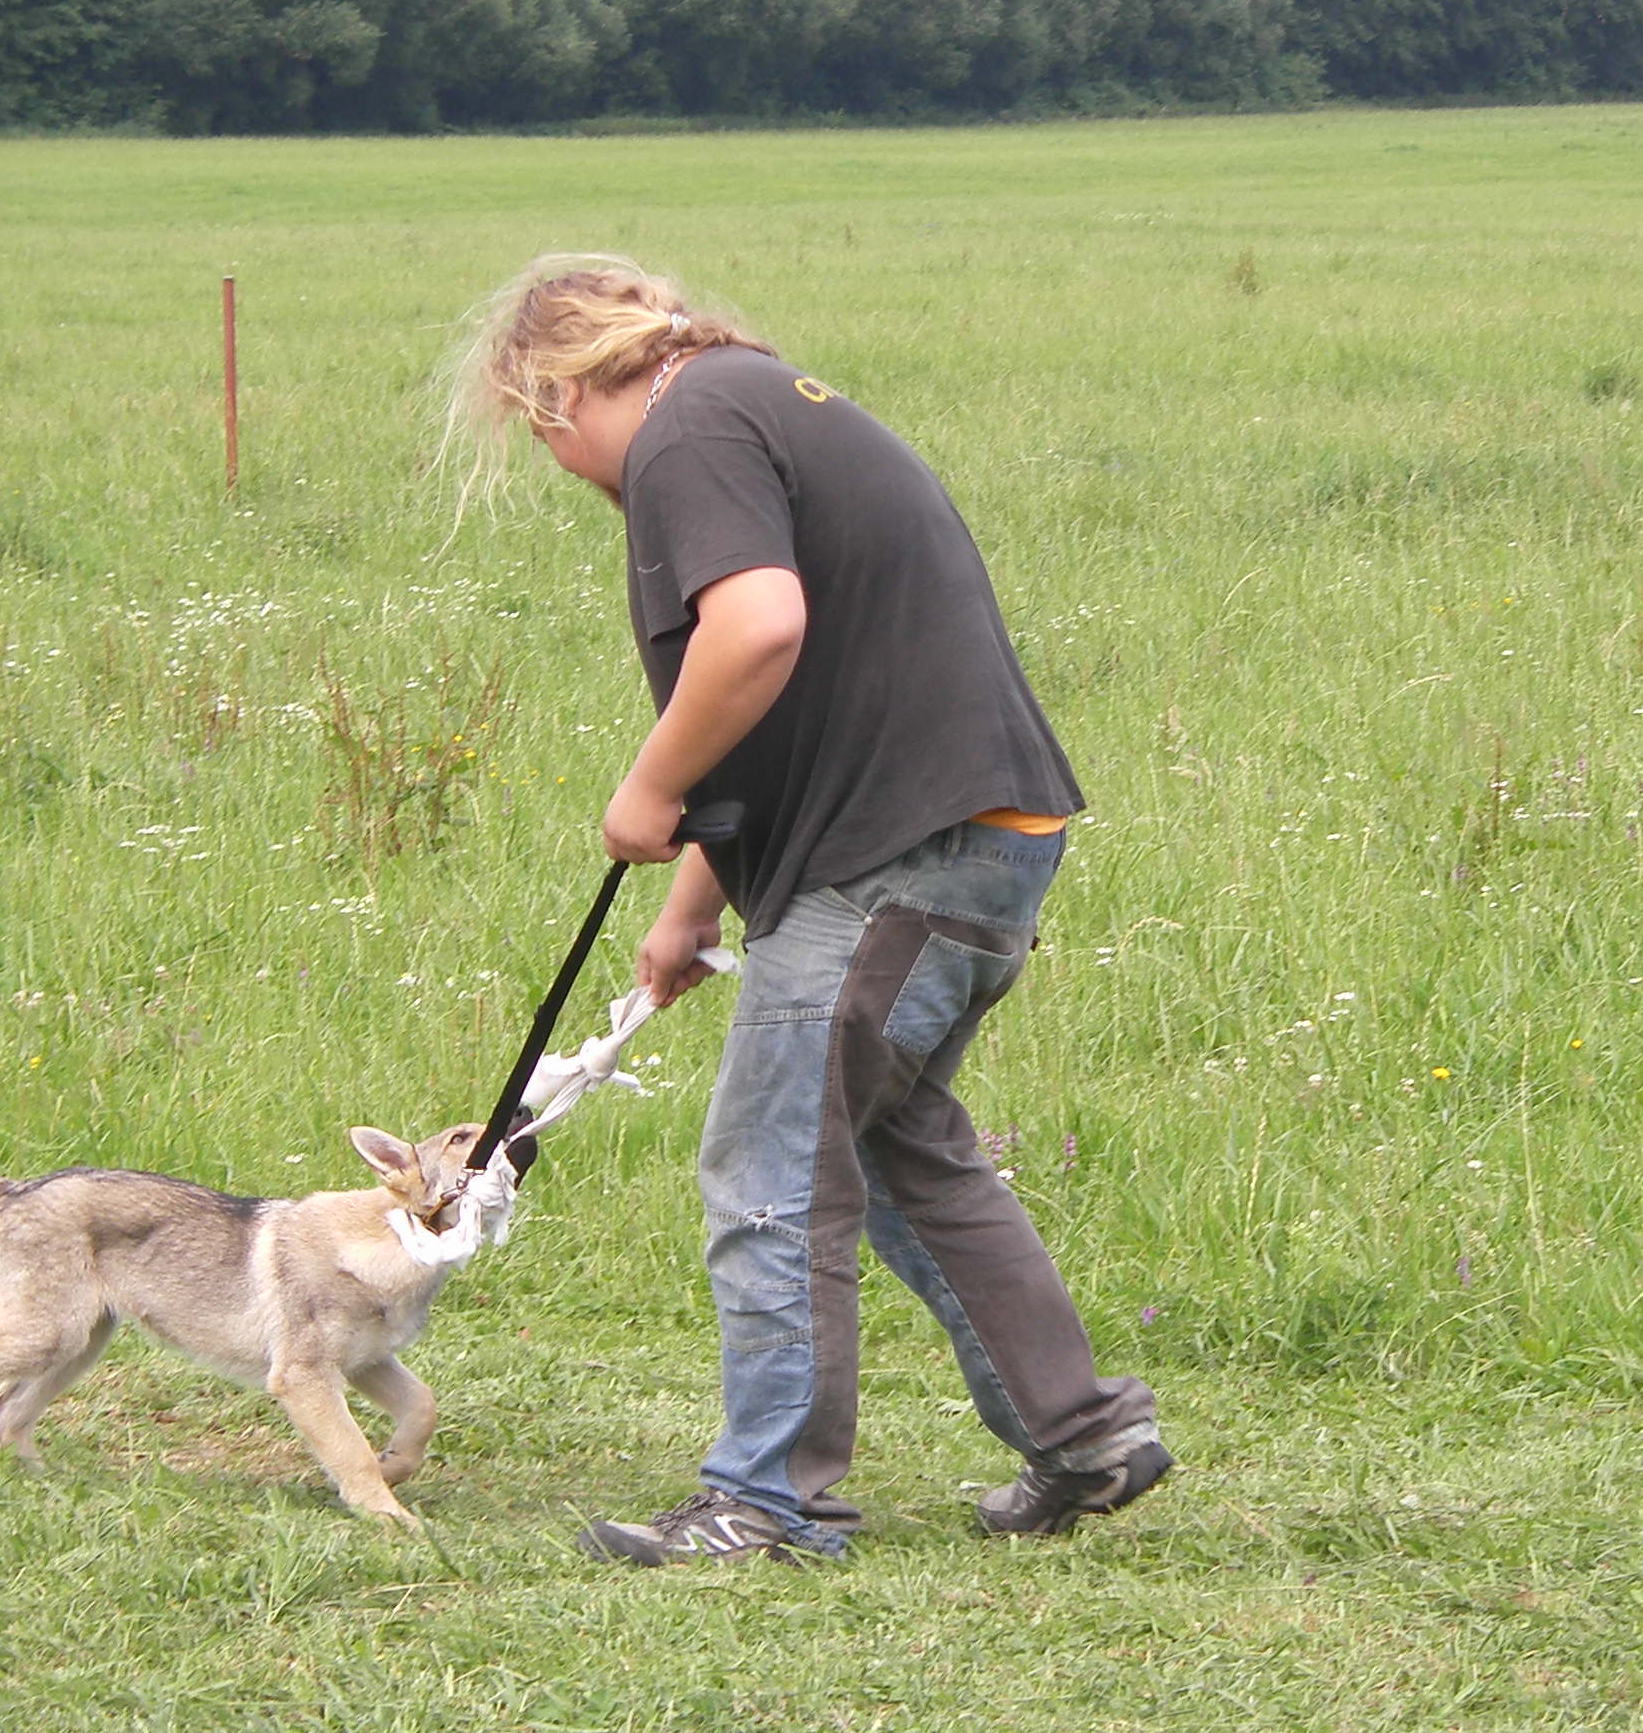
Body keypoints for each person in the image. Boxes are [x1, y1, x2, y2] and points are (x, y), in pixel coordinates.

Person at [452, 256, 1167, 1565]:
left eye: (542, 434)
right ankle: (1086, 1439)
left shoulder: (689, 427)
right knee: (899, 1155)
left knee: (771, 1164)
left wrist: (645, 784)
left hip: (903, 856)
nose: (569, 470)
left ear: (561, 388)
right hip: (976, 845)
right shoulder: (753, 403)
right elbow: (787, 714)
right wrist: (686, 910)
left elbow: (759, 633)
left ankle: (767, 1504)